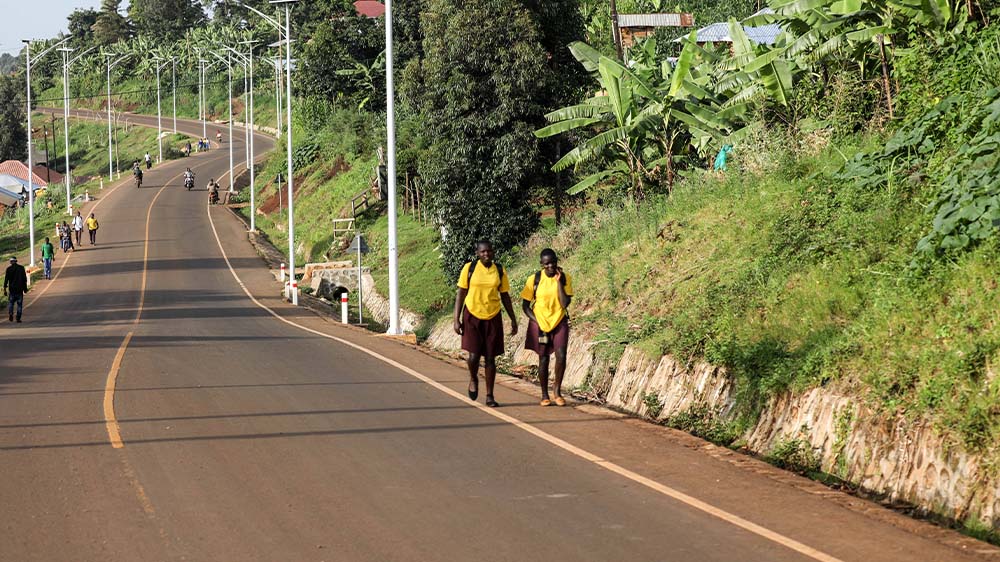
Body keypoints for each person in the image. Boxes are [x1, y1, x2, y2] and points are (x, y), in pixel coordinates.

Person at [453, 240, 518, 407]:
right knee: (473, 356)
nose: (486, 254)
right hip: (472, 315)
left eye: (489, 251)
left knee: (490, 358)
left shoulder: (499, 270)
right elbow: (461, 293)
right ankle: (473, 378)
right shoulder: (469, 268)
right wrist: (456, 319)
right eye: (483, 252)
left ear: (493, 252)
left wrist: (512, 318)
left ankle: (490, 395)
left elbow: (505, 295)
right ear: (477, 253)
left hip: (493, 316)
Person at [521, 248, 573, 407]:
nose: (551, 266)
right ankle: (544, 394)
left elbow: (564, 303)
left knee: (561, 356)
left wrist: (558, 282)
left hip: (559, 321)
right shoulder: (534, 279)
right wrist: (537, 321)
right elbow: (525, 306)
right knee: (543, 358)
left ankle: (557, 391)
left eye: (553, 262)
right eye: (547, 263)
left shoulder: (565, 278)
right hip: (540, 324)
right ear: (541, 264)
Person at [4, 256, 28, 323]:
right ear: (16, 261)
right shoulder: (21, 268)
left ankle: (11, 313)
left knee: (11, 303)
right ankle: (18, 318)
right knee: (19, 304)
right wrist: (25, 289)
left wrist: (5, 289)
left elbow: (6, 280)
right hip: (20, 290)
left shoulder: (8, 269)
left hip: (12, 290)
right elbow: (24, 279)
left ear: (11, 262)